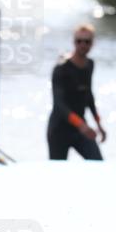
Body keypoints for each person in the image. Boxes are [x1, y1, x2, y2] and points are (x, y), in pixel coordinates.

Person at [47, 24, 107, 160]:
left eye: (87, 41)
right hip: (59, 129)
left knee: (98, 164)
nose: (83, 45)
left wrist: (99, 124)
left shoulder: (90, 64)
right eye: (79, 41)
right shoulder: (61, 68)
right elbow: (59, 104)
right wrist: (82, 126)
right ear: (74, 42)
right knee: (57, 173)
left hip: (80, 128)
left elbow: (89, 96)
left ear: (92, 43)